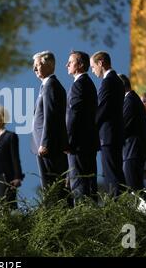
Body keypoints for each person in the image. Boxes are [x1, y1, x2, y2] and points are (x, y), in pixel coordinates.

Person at [31, 51, 69, 189]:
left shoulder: (51, 86)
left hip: (49, 146)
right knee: (50, 186)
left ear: (49, 65)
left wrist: (45, 143)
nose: (34, 69)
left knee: (53, 186)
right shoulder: (46, 86)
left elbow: (51, 117)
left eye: (38, 65)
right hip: (44, 145)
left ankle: (59, 211)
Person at [65, 51, 99, 203]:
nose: (67, 65)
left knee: (79, 183)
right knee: (88, 183)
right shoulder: (88, 83)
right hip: (87, 143)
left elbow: (74, 115)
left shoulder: (79, 85)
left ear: (80, 65)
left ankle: (83, 217)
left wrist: (68, 141)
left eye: (70, 62)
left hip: (78, 144)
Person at [90, 51, 126, 197]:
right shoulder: (116, 80)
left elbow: (102, 108)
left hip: (109, 135)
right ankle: (120, 202)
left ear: (101, 63)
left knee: (111, 174)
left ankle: (117, 206)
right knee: (114, 171)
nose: (93, 70)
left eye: (93, 66)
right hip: (114, 134)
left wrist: (90, 127)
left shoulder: (108, 81)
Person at [118, 74, 146, 192]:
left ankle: (144, 210)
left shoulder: (130, 100)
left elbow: (124, 126)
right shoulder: (131, 99)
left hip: (133, 152)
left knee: (134, 189)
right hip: (132, 151)